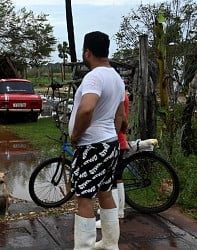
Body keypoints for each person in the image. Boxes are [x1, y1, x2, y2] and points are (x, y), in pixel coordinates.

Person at [68, 31, 126, 250]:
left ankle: (83, 247)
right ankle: (110, 244)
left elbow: (86, 109)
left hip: (92, 145)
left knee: (84, 198)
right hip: (110, 143)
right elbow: (121, 116)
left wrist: (76, 136)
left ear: (87, 52)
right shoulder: (116, 77)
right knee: (105, 192)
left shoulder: (94, 76)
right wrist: (112, 133)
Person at [96, 83, 130, 229]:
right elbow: (125, 121)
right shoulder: (123, 94)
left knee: (111, 180)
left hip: (114, 140)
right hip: (120, 139)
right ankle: (119, 211)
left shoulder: (117, 96)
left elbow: (119, 118)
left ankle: (114, 214)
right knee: (117, 177)